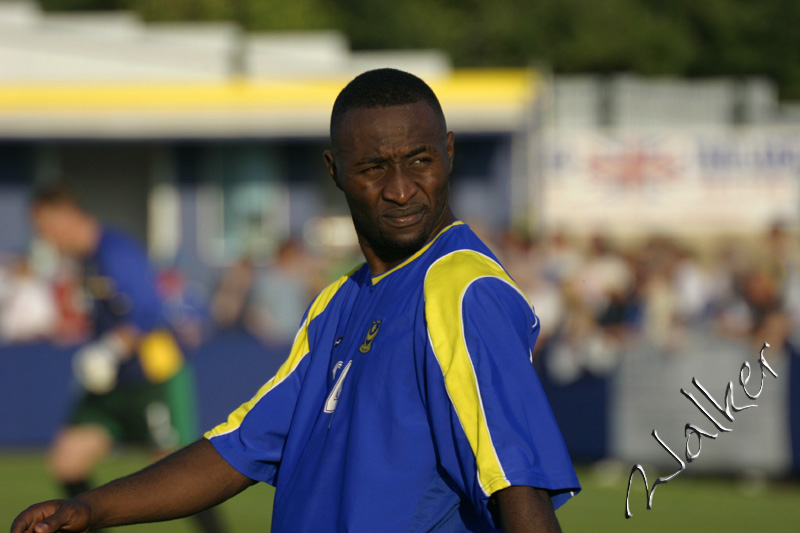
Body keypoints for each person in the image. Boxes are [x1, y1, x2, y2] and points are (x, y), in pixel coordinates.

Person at [12, 69, 580, 533]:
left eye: (421, 160)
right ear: (334, 172)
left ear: (449, 153)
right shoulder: (340, 299)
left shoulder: (460, 288)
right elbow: (242, 445)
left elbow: (518, 485)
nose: (402, 187)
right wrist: (90, 511)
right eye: (374, 167)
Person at [22, 186, 225, 533]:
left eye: (45, 226)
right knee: (67, 460)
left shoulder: (116, 251)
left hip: (152, 378)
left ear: (66, 215)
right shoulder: (86, 260)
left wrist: (110, 349)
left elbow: (150, 310)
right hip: (112, 383)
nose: (44, 236)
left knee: (180, 475)